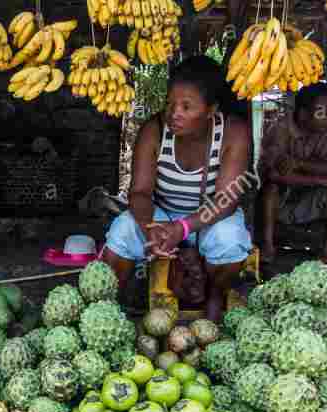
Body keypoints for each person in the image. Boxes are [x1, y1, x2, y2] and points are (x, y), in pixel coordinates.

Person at [102, 55, 253, 322]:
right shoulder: (155, 129)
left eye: (186, 106)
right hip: (162, 216)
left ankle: (215, 297)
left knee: (230, 240)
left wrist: (182, 228)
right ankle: (109, 307)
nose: (174, 114)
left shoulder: (233, 132)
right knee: (123, 230)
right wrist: (151, 228)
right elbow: (140, 192)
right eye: (170, 104)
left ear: (210, 110)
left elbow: (226, 200)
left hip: (209, 219)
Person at [259, 83, 327, 274]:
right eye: (323, 112)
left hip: (309, 192)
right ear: (303, 114)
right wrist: (321, 179)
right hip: (282, 197)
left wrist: (298, 163)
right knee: (271, 187)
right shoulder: (280, 128)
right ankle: (268, 246)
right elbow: (274, 174)